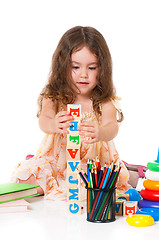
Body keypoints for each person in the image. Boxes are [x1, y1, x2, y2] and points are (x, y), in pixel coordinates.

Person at [11, 26, 132, 201]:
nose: (83, 75)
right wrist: (53, 124)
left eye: (91, 68)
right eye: (75, 67)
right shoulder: (54, 96)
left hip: (90, 164)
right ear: (62, 67)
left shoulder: (103, 101)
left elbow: (112, 127)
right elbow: (44, 120)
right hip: (57, 161)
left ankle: (126, 173)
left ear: (102, 69)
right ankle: (53, 183)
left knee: (90, 187)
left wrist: (101, 132)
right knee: (25, 178)